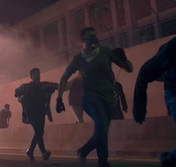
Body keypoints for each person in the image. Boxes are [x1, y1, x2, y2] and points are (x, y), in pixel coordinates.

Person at [56, 27, 133, 167]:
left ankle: (84, 151)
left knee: (102, 130)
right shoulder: (78, 59)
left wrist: (124, 59)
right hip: (91, 98)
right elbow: (64, 78)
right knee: (102, 125)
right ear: (82, 41)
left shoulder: (105, 52)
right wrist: (59, 98)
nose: (93, 39)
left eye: (94, 36)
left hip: (109, 98)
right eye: (89, 37)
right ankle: (103, 162)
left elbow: (129, 69)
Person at [132, 37, 176, 167]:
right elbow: (145, 72)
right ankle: (169, 159)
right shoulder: (171, 48)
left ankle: (170, 159)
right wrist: (139, 105)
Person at [15, 68, 57, 162]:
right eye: (35, 74)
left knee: (40, 132)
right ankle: (44, 152)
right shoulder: (25, 86)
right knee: (38, 131)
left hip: (41, 112)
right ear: (31, 76)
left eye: (38, 74)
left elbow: (52, 90)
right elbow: (16, 93)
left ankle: (30, 151)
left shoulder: (43, 86)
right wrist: (19, 99)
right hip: (30, 113)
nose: (38, 76)